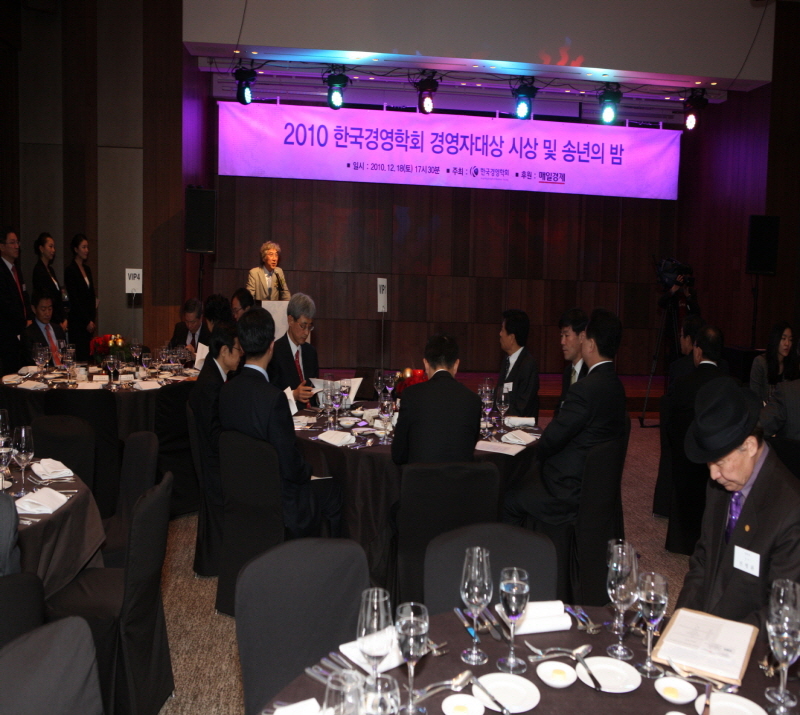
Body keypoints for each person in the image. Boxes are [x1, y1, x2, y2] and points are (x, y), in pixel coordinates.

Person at [676, 377, 800, 633]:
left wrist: (720, 641)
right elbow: (703, 560)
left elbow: (782, 609)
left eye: (720, 462)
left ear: (750, 446)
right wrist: (682, 621)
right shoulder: (724, 483)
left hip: (750, 643)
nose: (713, 475)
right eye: (709, 464)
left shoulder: (790, 510)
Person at [218, 308, 341, 538]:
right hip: (280, 500)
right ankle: (327, 556)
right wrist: (310, 470)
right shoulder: (273, 399)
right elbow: (291, 466)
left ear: (242, 346)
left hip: (239, 490)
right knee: (333, 490)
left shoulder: (226, 391)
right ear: (272, 346)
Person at [504, 308, 627, 527]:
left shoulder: (585, 389)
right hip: (596, 481)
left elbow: (552, 439)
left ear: (590, 344)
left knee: (510, 495)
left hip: (568, 486)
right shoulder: (616, 386)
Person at [664, 325, 727, 555]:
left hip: (686, 464)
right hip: (718, 464)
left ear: (698, 351)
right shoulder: (728, 385)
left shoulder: (683, 384)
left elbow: (670, 425)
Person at [188, 321, 242, 577]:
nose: (241, 354)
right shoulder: (211, 384)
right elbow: (215, 437)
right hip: (213, 463)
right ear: (224, 351)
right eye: (238, 349)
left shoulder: (213, 373)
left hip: (209, 456)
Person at [392, 334, 482, 465]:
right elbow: (468, 447)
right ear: (456, 365)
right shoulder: (473, 399)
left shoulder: (411, 395)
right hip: (460, 477)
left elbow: (398, 454)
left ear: (426, 364)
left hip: (419, 476)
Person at [267, 293, 319, 407]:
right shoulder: (274, 352)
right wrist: (293, 395)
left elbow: (315, 393)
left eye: (309, 326)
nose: (306, 332)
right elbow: (269, 395)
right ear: (290, 320)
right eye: (303, 326)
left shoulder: (311, 352)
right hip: (286, 414)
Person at [495, 309, 539, 420]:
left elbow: (522, 407)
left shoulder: (528, 365)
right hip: (504, 422)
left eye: (502, 330)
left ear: (511, 338)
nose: (500, 334)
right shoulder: (506, 360)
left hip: (520, 427)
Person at [0, 228, 31, 375]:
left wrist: (29, 317)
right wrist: (23, 322)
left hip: (21, 331)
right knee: (9, 373)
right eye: (12, 243)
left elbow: (24, 296)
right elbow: (5, 303)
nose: (16, 246)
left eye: (17, 242)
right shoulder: (1, 270)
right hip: (7, 332)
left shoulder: (16, 269)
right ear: (2, 246)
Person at [63, 234, 96, 362]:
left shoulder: (87, 269)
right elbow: (74, 299)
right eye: (83, 247)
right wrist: (86, 321)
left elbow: (91, 295)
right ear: (76, 249)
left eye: (87, 247)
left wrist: (91, 319)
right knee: (80, 356)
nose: (86, 250)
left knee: (90, 356)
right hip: (78, 321)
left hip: (89, 321)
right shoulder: (70, 270)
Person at [750, 321, 799, 404]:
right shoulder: (760, 362)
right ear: (775, 339)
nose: (787, 343)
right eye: (783, 338)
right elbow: (754, 396)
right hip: (763, 409)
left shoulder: (791, 363)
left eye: (790, 340)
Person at [554, 308, 588, 417]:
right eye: (561, 336)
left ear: (582, 337)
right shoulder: (568, 371)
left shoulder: (590, 373)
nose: (562, 342)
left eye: (566, 335)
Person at [31, 232, 67, 330]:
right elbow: (45, 297)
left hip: (57, 317)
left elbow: (57, 296)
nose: (53, 250)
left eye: (54, 247)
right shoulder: (39, 270)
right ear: (41, 248)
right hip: (49, 317)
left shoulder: (50, 269)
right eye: (50, 247)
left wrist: (63, 318)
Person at [22, 293, 67, 364]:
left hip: (63, 368)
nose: (47, 313)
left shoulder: (58, 329)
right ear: (34, 309)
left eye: (50, 309)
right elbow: (31, 362)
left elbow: (65, 353)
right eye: (43, 309)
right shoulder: (29, 334)